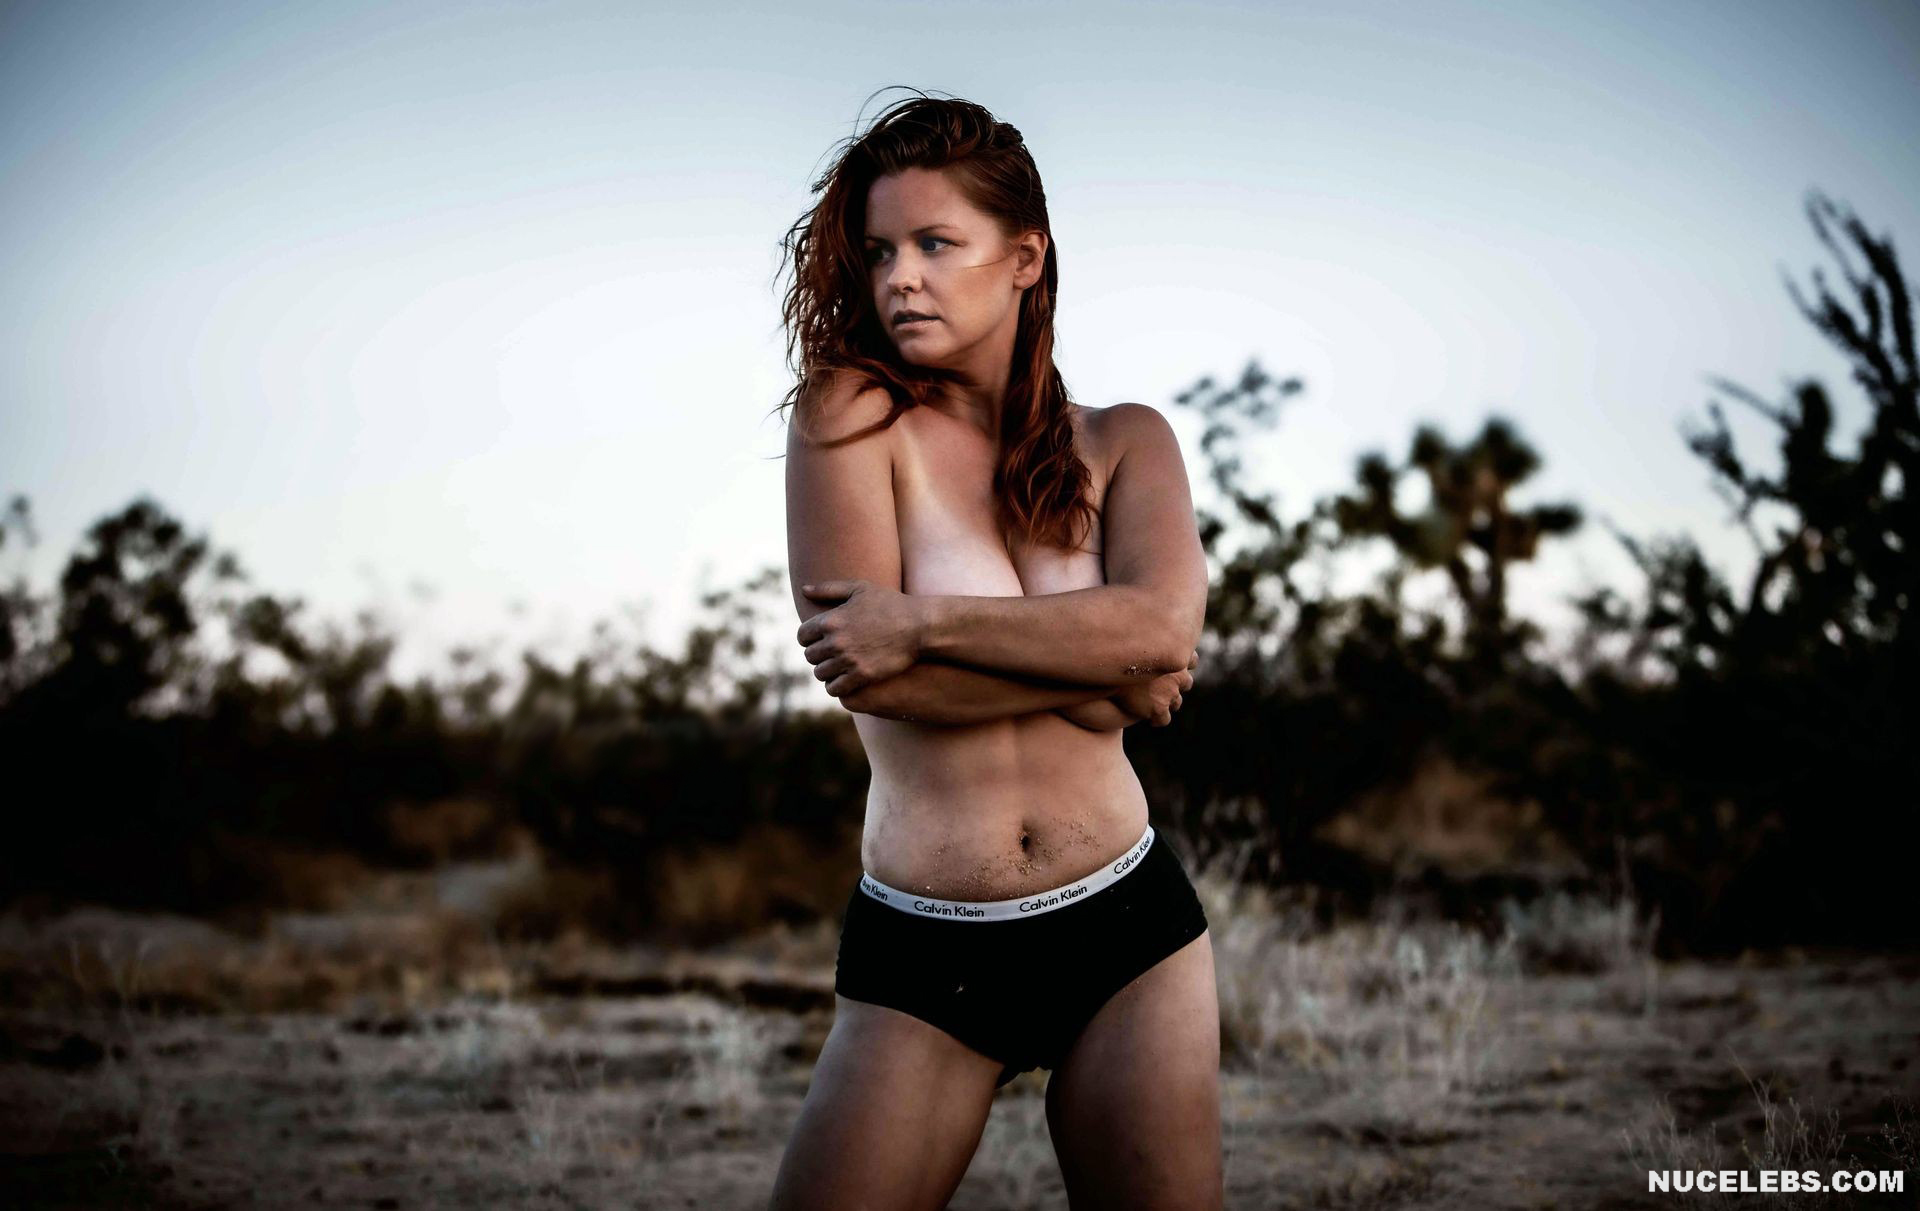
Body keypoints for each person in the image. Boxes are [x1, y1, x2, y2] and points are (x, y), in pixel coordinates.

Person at [768, 90, 1221, 1211]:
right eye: (881, 251)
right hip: (931, 950)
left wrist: (921, 618)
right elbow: (876, 676)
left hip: (1130, 926)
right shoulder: (848, 417)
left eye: (935, 244)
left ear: (1024, 258)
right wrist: (1101, 678)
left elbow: (1161, 630)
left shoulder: (1127, 442)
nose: (899, 278)